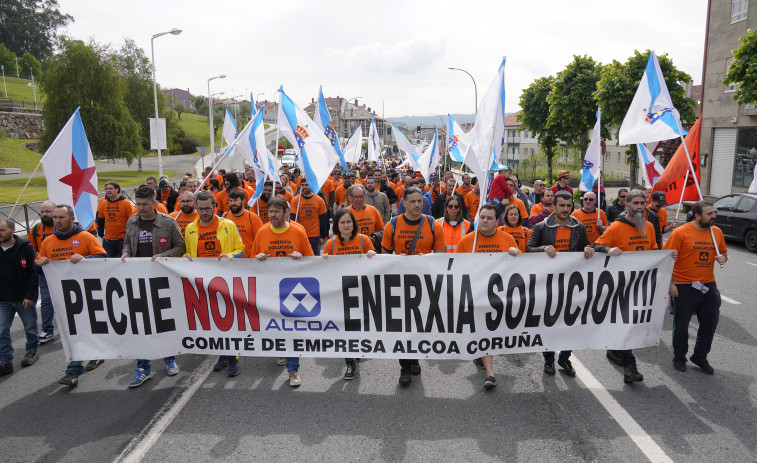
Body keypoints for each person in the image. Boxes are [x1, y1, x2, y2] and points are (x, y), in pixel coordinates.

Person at [121, 185, 186, 387]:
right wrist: (125, 253)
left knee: (163, 322)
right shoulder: (131, 222)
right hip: (137, 281)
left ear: (154, 202)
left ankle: (169, 359)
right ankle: (143, 368)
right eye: (138, 204)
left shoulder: (168, 223)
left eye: (145, 204)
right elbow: (126, 243)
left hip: (162, 281)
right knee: (141, 326)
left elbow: (181, 246)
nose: (141, 208)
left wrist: (163, 256)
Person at [36, 205, 107, 386]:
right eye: (55, 218)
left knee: (79, 331)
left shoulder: (85, 237)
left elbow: (103, 259)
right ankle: (96, 355)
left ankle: (73, 371)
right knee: (78, 332)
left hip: (87, 294)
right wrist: (39, 263)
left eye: (61, 217)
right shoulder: (47, 242)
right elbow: (38, 268)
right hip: (62, 297)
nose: (58, 221)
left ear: (71, 218)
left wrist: (85, 259)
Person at [382, 187, 446, 385]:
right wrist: (395, 258)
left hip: (425, 284)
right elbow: (384, 256)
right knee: (403, 326)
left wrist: (425, 259)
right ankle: (405, 367)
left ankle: (415, 356)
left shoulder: (432, 224)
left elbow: (442, 255)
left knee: (419, 324)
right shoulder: (392, 224)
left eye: (420, 201)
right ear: (404, 203)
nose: (417, 205)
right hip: (400, 284)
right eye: (413, 201)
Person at [592, 189, 657, 383]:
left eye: (642, 203)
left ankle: (614, 350)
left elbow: (654, 252)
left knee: (629, 324)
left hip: (640, 284)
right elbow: (595, 246)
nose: (639, 207)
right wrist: (608, 249)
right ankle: (630, 367)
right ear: (627, 205)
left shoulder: (649, 227)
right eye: (635, 203)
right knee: (625, 322)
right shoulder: (616, 227)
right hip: (619, 285)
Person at [526, 191, 593, 378]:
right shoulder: (541, 227)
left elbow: (586, 248)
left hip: (572, 284)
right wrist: (543, 249)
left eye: (568, 205)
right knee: (548, 323)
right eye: (561, 205)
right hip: (548, 284)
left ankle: (564, 357)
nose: (565, 209)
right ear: (554, 206)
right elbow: (528, 249)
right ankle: (548, 359)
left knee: (570, 324)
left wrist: (589, 249)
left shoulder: (579, 227)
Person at [252, 195, 314, 387]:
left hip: (292, 290)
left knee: (291, 329)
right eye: (270, 211)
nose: (272, 215)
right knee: (275, 325)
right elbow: (251, 261)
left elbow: (311, 260)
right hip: (269, 290)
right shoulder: (262, 232)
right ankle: (281, 349)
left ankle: (293, 370)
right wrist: (258, 257)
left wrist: (300, 257)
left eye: (276, 211)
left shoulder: (298, 231)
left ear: (286, 212)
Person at [456, 205, 519, 389]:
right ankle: (490, 374)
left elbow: (521, 268)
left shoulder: (507, 238)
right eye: (482, 217)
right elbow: (455, 267)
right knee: (484, 331)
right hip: (475, 296)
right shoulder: (468, 241)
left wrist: (515, 254)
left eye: (489, 218)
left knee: (491, 332)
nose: (484, 221)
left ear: (497, 221)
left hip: (500, 296)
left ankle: (480, 354)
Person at [184, 191, 245, 377]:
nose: (203, 213)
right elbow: (188, 252)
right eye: (200, 209)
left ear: (214, 207)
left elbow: (241, 249)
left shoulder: (228, 225)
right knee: (214, 320)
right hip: (203, 283)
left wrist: (231, 256)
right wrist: (184, 257)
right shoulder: (190, 229)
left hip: (226, 280)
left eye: (207, 209)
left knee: (229, 319)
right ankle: (223, 354)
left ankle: (233, 357)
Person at [665, 201, 727, 375]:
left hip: (708, 285)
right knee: (682, 325)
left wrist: (723, 258)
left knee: (710, 323)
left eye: (714, 212)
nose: (714, 216)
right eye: (709, 214)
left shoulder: (716, 232)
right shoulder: (680, 233)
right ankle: (679, 356)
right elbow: (666, 259)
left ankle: (700, 356)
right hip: (684, 285)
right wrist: (670, 284)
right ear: (697, 215)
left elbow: (723, 253)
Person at [322, 208, 376, 380]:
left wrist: (372, 255)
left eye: (349, 222)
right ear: (337, 225)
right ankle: (350, 363)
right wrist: (322, 261)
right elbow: (325, 270)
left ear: (354, 223)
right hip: (340, 293)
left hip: (360, 291)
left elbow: (376, 264)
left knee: (358, 326)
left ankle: (357, 346)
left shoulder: (364, 240)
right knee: (344, 328)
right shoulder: (331, 244)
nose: (346, 225)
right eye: (342, 222)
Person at [0, 219, 39, 376]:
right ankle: (5, 359)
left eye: (2, 230)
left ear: (12, 230)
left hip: (23, 298)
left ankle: (32, 350)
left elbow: (33, 273)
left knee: (29, 326)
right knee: (1, 330)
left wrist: (30, 295)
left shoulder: (25, 247)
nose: (0, 234)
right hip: (3, 299)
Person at [29, 201, 56, 344]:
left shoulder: (63, 227)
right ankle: (47, 330)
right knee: (46, 300)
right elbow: (31, 251)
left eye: (48, 212)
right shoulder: (36, 229)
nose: (45, 214)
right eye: (42, 212)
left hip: (65, 272)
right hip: (44, 272)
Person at [290, 179, 328, 256]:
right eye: (302, 185)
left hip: (314, 236)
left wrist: (323, 236)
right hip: (300, 234)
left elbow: (323, 220)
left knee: (314, 257)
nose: (304, 187)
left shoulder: (319, 200)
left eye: (306, 185)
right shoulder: (296, 200)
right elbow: (292, 219)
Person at [96, 180, 134, 257]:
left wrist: (128, 235)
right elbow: (100, 220)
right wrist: (101, 235)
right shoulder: (103, 203)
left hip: (122, 240)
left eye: (110, 188)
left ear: (117, 190)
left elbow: (132, 221)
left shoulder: (126, 203)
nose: (108, 190)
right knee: (108, 262)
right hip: (108, 240)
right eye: (106, 189)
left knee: (123, 261)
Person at [222, 189, 263, 258]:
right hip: (230, 260)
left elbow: (261, 240)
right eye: (231, 201)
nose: (233, 203)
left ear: (243, 201)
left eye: (236, 200)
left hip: (248, 261)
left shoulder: (253, 218)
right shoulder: (224, 216)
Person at [347, 184, 385, 252]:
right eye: (356, 197)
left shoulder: (373, 210)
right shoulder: (345, 213)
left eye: (361, 197)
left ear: (365, 197)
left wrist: (374, 237)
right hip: (353, 249)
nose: (359, 200)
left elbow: (381, 229)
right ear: (350, 198)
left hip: (372, 248)